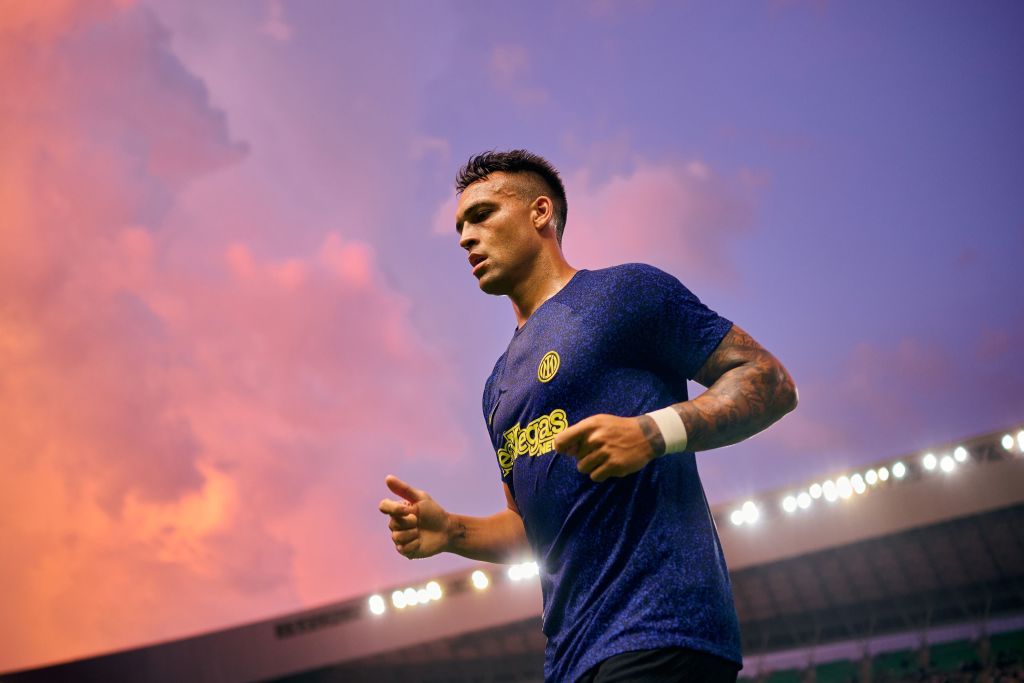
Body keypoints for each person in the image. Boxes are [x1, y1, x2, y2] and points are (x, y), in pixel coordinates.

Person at [379, 149, 798, 682]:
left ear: (539, 213)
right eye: (459, 226)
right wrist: (453, 531)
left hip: (661, 628)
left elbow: (768, 379)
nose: (465, 237)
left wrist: (653, 432)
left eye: (482, 214)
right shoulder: (497, 389)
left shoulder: (625, 294)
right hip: (571, 659)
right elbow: (531, 531)